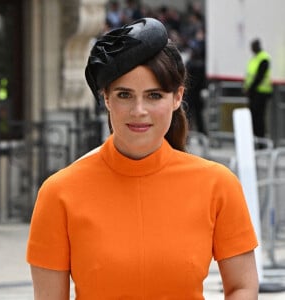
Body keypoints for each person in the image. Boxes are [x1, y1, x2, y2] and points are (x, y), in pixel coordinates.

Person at [26, 18, 259, 299]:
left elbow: (242, 287)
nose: (139, 110)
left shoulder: (218, 185)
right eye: (125, 95)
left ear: (177, 98)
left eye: (154, 96)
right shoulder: (58, 193)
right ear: (107, 99)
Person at [244, 38, 273, 139]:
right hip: (254, 93)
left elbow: (259, 77)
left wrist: (250, 88)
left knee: (259, 118)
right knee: (254, 118)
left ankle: (261, 141)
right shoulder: (255, 58)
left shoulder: (263, 58)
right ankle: (256, 139)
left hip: (261, 93)